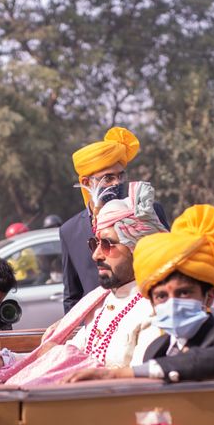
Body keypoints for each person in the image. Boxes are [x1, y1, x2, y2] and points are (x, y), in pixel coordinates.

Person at [0, 182, 167, 386]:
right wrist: (6, 360)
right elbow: (61, 357)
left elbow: (140, 387)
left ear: (138, 248)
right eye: (95, 243)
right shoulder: (101, 300)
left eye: (107, 244)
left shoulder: (155, 308)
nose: (96, 255)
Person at [68, 205, 214, 383]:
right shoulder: (157, 347)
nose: (172, 303)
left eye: (183, 293)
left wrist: (120, 374)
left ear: (208, 297)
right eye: (161, 296)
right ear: (152, 303)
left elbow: (213, 359)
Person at [59, 127, 168, 313]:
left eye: (120, 176)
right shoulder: (70, 231)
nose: (117, 183)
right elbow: (72, 295)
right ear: (86, 183)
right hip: (98, 328)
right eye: (108, 178)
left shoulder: (146, 212)